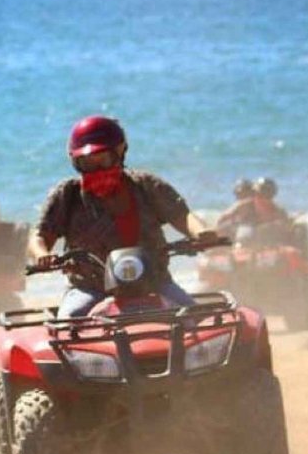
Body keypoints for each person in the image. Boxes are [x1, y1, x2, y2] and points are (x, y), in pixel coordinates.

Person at [28, 115, 216, 319]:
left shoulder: (146, 185)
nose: (97, 169)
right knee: (67, 325)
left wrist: (201, 233)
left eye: (104, 160)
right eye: (88, 163)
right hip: (92, 289)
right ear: (75, 162)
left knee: (199, 320)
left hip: (154, 282)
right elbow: (39, 237)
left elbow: (182, 215)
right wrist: (42, 255)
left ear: (120, 153)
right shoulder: (67, 195)